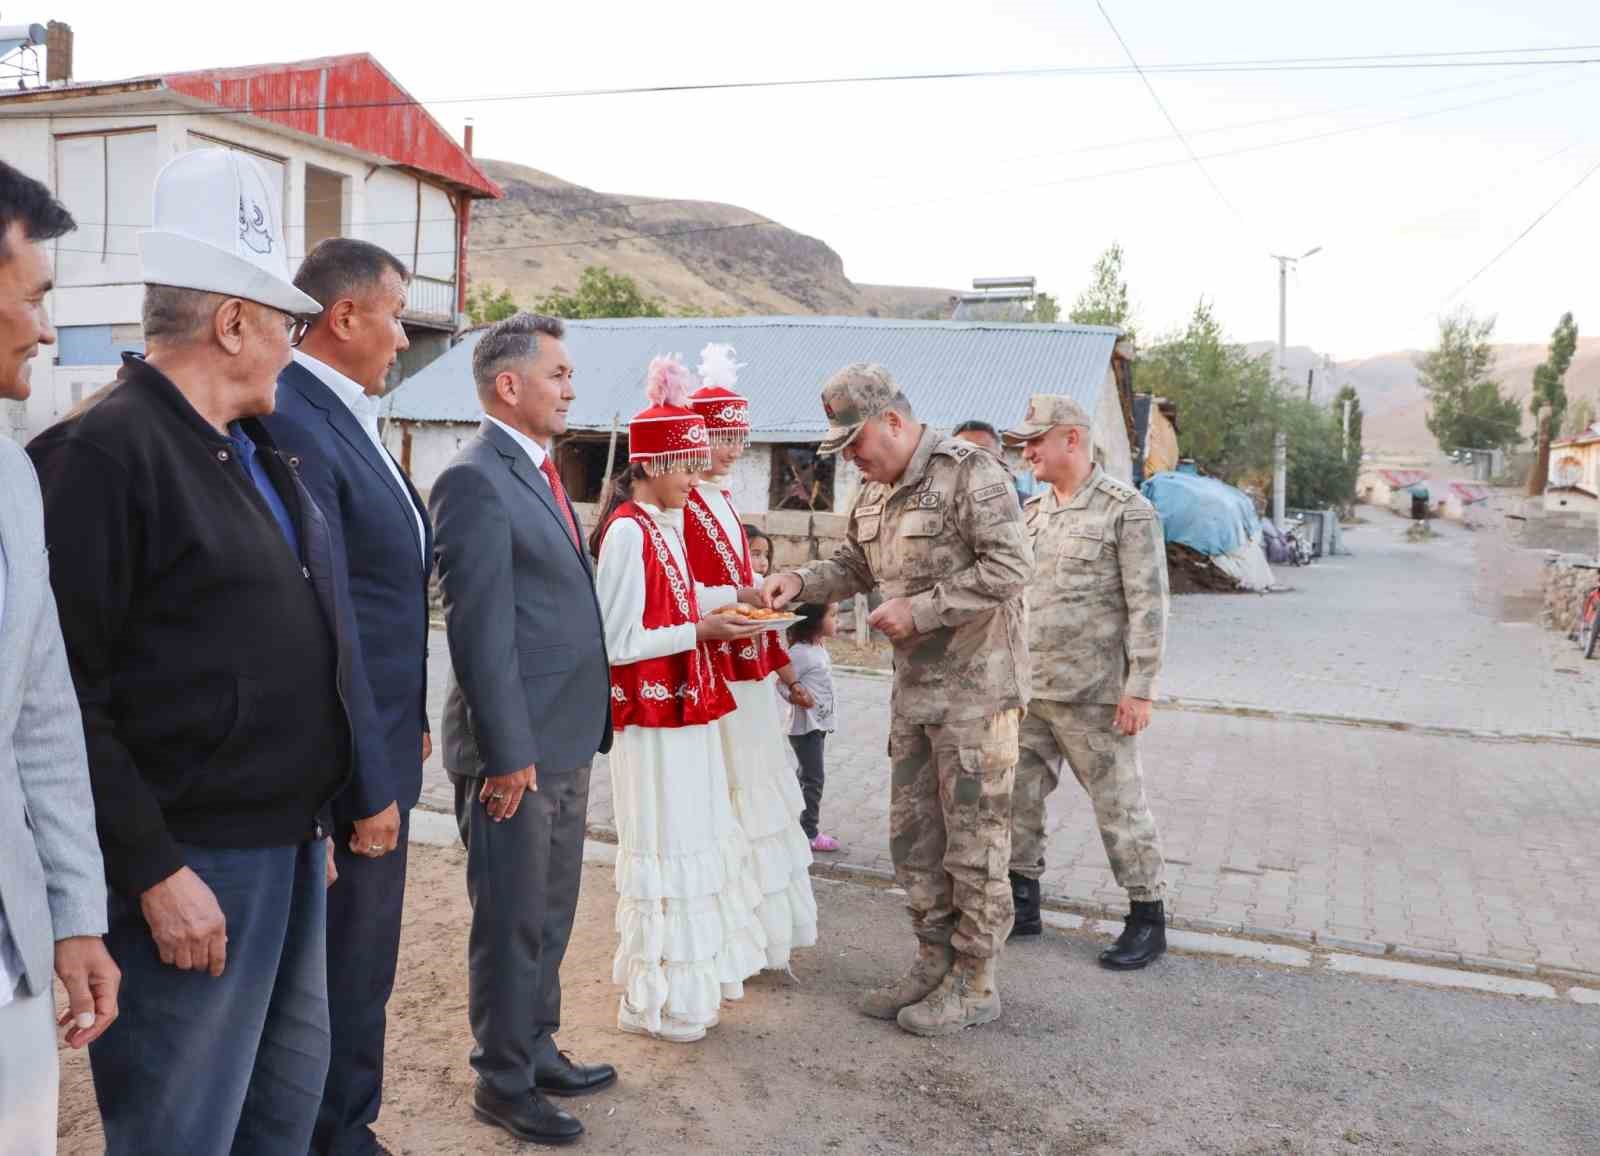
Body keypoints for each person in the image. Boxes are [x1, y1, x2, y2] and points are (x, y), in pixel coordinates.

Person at [28, 148, 352, 1155]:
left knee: (276, 1119)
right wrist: (154, 870)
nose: (295, 349)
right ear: (233, 322)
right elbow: (62, 699)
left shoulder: (251, 449)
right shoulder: (100, 454)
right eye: (288, 325)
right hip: (191, 870)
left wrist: (310, 815)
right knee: (184, 1132)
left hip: (283, 850)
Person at [764, 363, 1033, 1037]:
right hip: (915, 694)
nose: (851, 458)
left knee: (974, 844)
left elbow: (1011, 567)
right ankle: (932, 961)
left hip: (978, 696)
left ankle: (975, 980)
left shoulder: (970, 472)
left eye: (855, 443)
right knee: (915, 840)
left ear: (893, 421)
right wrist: (799, 582)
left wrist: (923, 609)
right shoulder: (873, 490)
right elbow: (854, 566)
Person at [258, 236, 432, 1156]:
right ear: (345, 315)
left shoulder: (349, 414)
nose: (403, 338)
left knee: (366, 962)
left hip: (387, 736)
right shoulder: (296, 416)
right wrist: (367, 783)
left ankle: (346, 1125)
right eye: (396, 317)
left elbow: (387, 594)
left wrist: (415, 718)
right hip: (349, 763)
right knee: (343, 967)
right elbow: (331, 619)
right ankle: (333, 1136)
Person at [429, 313, 616, 1146]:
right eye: (559, 374)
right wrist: (507, 756)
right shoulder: (475, 478)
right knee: (509, 921)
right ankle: (502, 1081)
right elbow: (478, 631)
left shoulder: (537, 469)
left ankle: (537, 1047)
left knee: (548, 910)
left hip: (561, 736)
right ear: (509, 385)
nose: (572, 388)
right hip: (514, 751)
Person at [590, 353, 771, 1043]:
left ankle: (683, 989)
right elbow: (618, 639)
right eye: (688, 466)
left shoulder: (658, 525)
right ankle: (653, 1000)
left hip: (684, 703)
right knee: (664, 842)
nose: (697, 479)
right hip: (649, 716)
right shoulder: (626, 532)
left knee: (695, 833)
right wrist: (701, 629)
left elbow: (681, 596)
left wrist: (730, 601)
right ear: (654, 464)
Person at [0, 159, 120, 1156]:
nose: (45, 331)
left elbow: (41, 713)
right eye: (33, 297)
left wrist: (76, 913)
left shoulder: (11, 474)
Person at [1000, 394, 1171, 967]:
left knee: (1119, 808)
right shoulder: (1033, 512)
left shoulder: (1127, 511)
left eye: (1035, 441)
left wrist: (1140, 688)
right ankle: (1022, 901)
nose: (1027, 453)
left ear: (1070, 439)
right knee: (1017, 801)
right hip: (1032, 689)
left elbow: (1150, 606)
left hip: (1096, 695)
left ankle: (1147, 916)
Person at [685, 343, 818, 969]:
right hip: (717, 658)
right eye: (723, 436)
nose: (734, 449)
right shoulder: (686, 501)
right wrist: (738, 597)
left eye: (740, 436)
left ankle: (759, 929)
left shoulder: (721, 498)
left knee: (758, 783)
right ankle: (731, 930)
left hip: (747, 652)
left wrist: (759, 594)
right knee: (733, 786)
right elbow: (683, 587)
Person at [779, 603, 841, 853]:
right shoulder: (800, 653)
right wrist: (795, 696)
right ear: (815, 620)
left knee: (806, 776)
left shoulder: (817, 647)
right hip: (805, 727)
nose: (837, 620)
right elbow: (782, 683)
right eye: (832, 615)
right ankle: (809, 833)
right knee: (814, 779)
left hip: (818, 724)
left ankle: (791, 823)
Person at [955, 418, 1040, 499]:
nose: (972, 460)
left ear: (1001, 458)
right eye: (961, 452)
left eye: (983, 452)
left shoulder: (1028, 506)